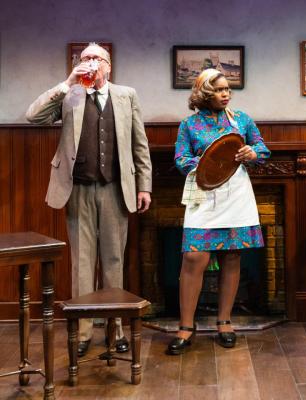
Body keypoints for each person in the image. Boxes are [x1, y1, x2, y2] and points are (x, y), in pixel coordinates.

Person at [26, 43, 152, 357]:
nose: (91, 63)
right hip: (77, 189)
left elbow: (140, 144)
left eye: (97, 58)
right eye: (85, 58)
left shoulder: (127, 95)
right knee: (82, 263)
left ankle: (116, 329)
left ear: (109, 66)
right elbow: (33, 117)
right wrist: (67, 82)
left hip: (114, 189)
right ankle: (82, 332)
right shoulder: (69, 94)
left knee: (113, 262)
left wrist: (144, 186)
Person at [167, 69, 270, 355]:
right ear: (204, 93)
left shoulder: (242, 120)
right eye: (219, 90)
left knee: (232, 254)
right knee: (194, 257)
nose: (226, 94)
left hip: (236, 193)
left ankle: (225, 321)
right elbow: (180, 158)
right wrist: (202, 165)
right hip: (203, 193)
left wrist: (253, 153)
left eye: (228, 89)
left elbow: (262, 148)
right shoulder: (189, 125)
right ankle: (186, 326)